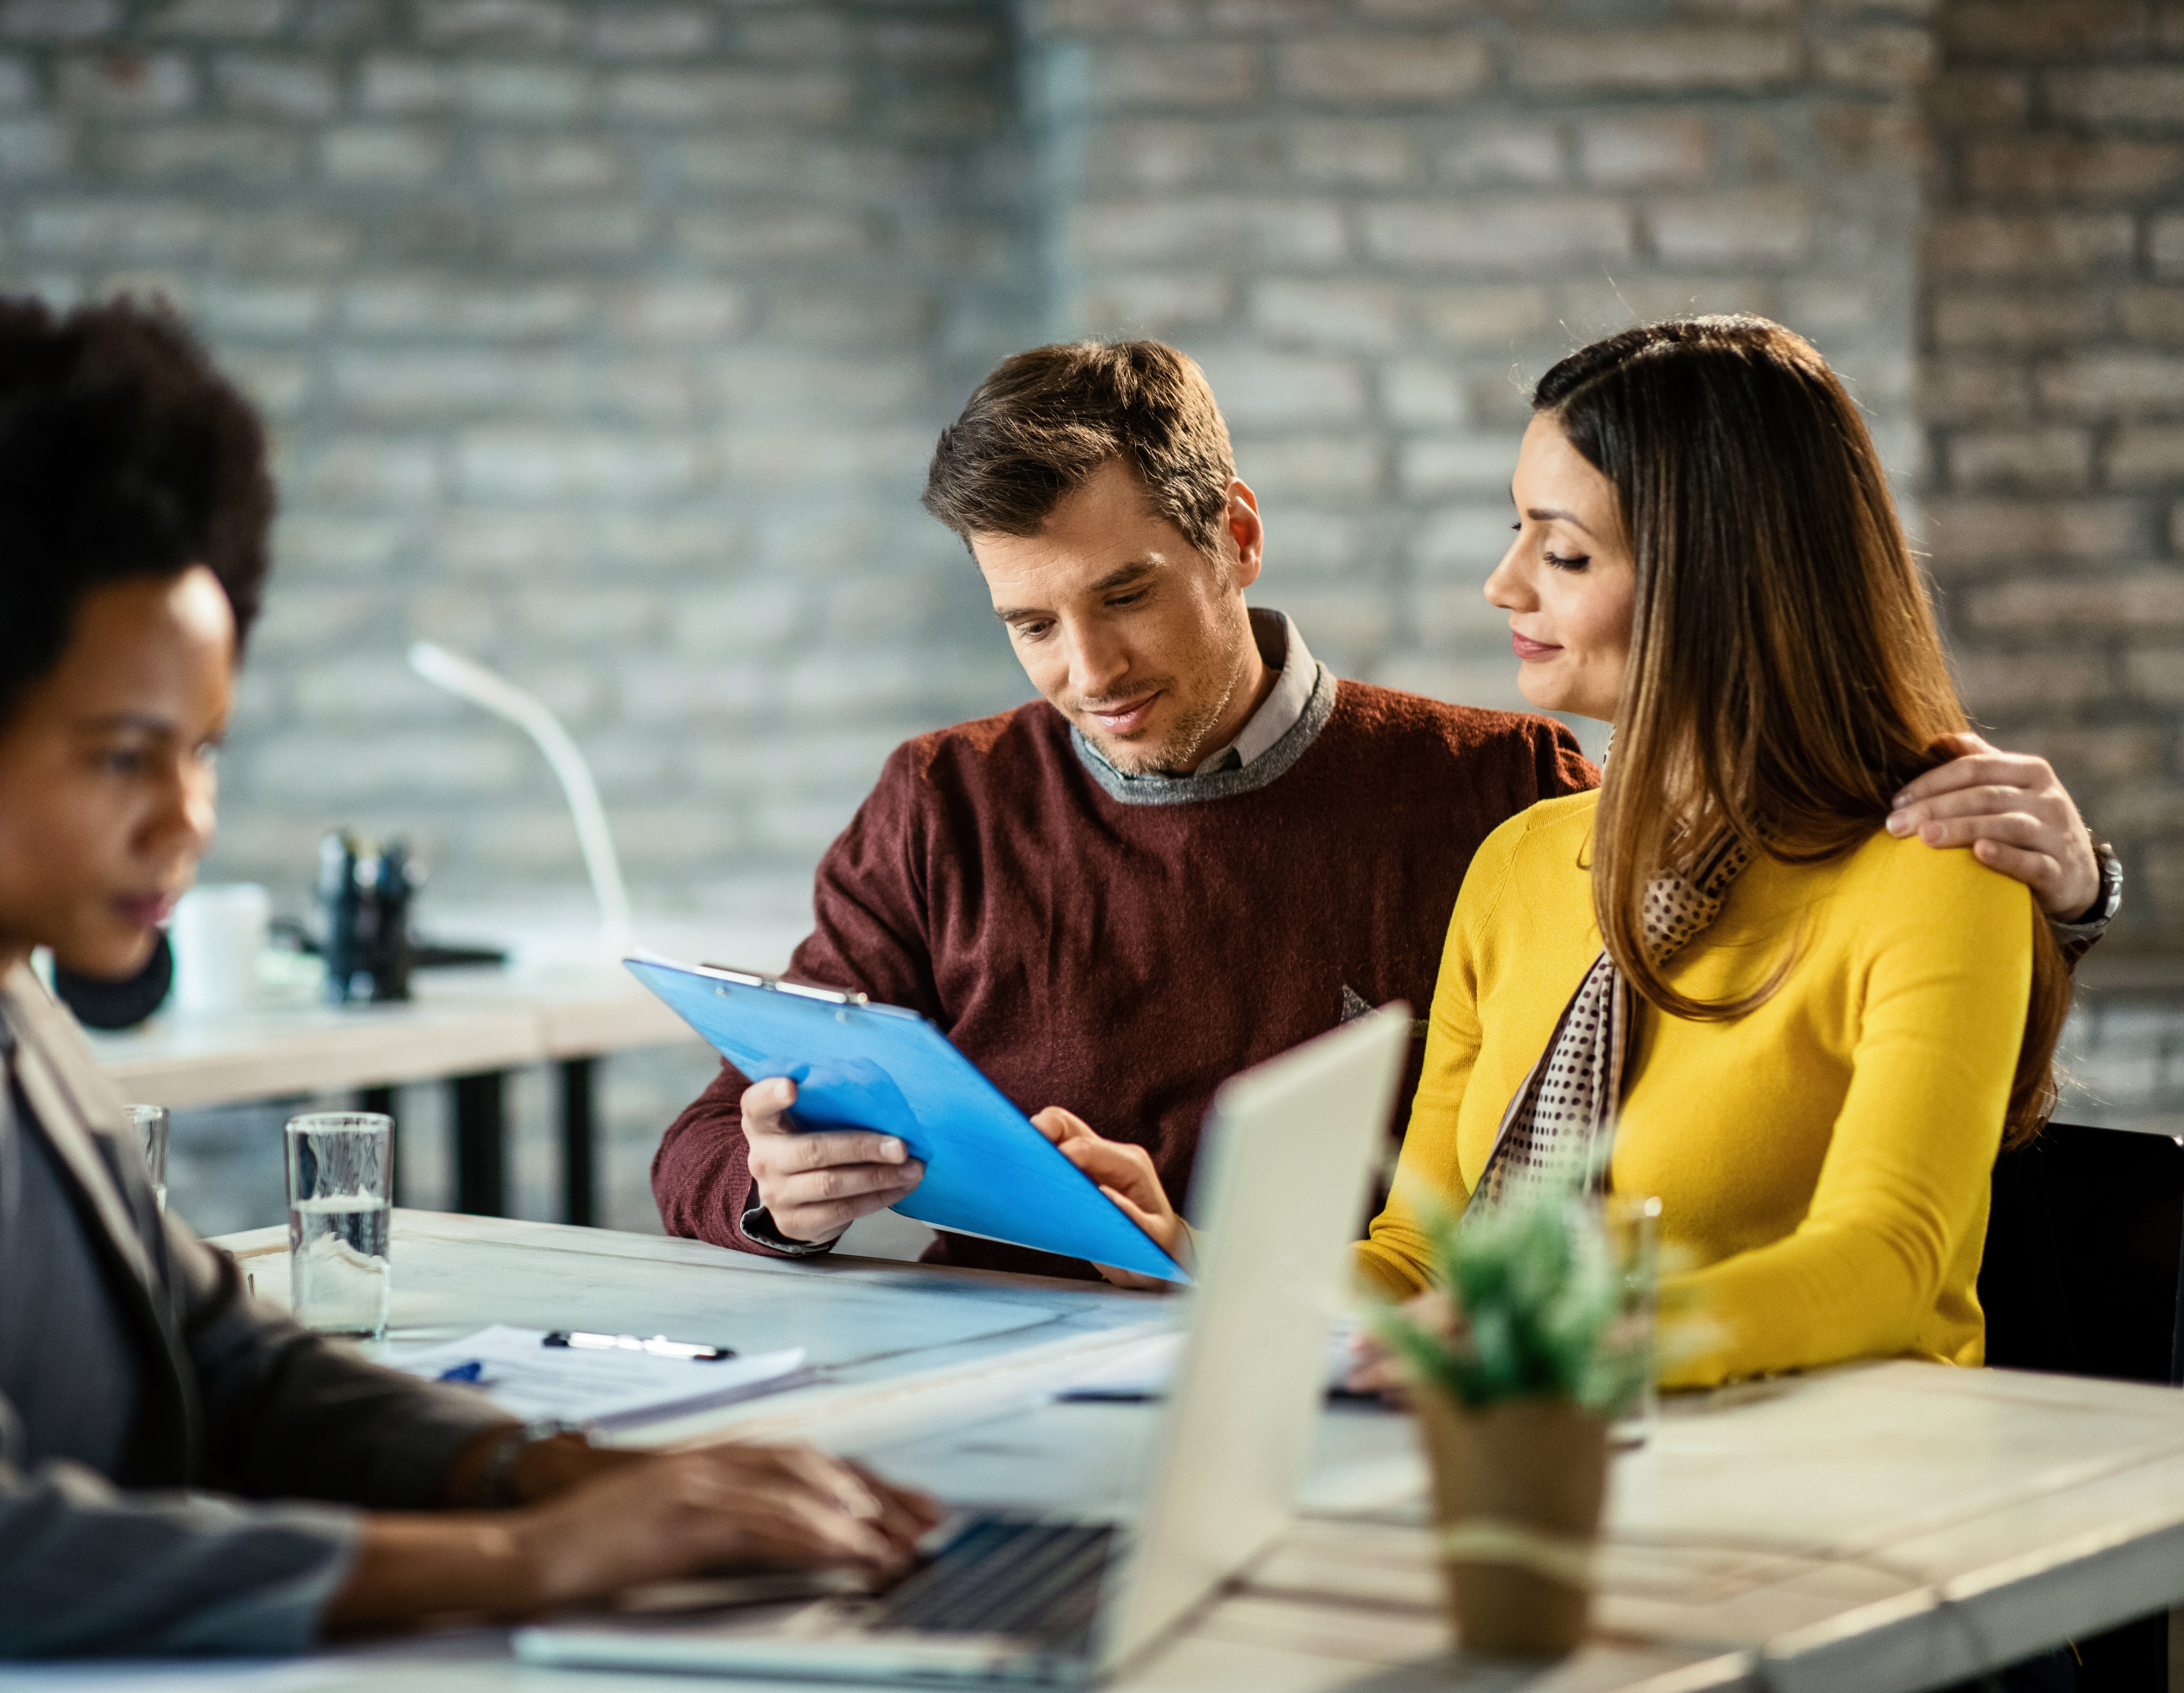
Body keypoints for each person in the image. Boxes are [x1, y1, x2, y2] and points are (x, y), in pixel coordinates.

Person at [0, 292, 929, 1670]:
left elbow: (227, 1361)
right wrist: (530, 1558)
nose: (188, 818)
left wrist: (555, 1477)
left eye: (204, 749)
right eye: (123, 754)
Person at [648, 340, 2112, 1284]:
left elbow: (1787, 1004)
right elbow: (714, 1138)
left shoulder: (1500, 801)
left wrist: (2063, 901)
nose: (1084, 673)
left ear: (1235, 534)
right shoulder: (942, 805)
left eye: (1126, 597)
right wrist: (782, 1189)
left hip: (1399, 1400)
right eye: (1030, 627)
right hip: (1112, 1376)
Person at [1351, 315, 2074, 1388]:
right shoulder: (1517, 866)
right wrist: (1214, 1285)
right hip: (1546, 1445)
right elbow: (1422, 1256)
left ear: (1714, 578)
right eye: (1518, 533)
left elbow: (1888, 1264)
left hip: (1839, 1479)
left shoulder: (1933, 871)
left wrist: (1584, 1340)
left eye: (1563, 552)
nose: (1505, 586)